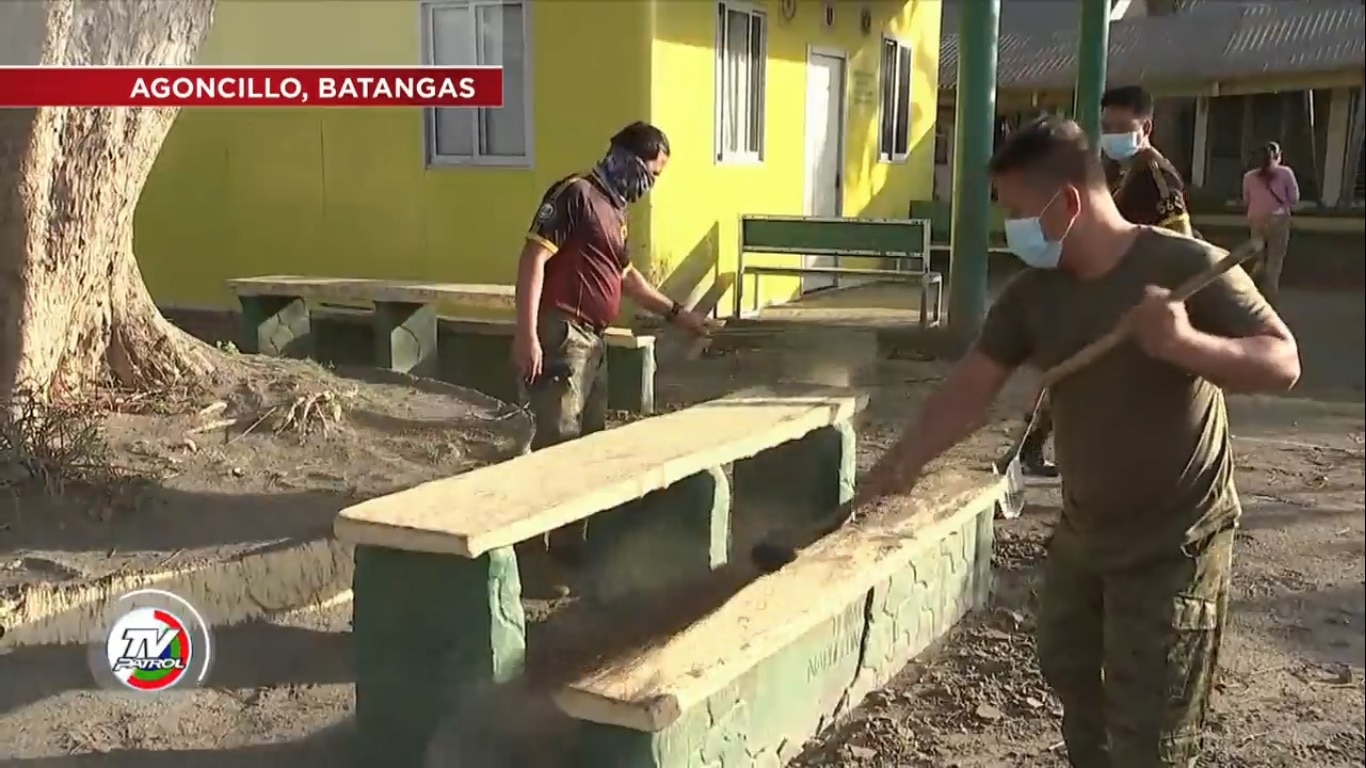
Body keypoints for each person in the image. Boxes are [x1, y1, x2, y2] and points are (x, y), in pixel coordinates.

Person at [860, 116, 1300, 767]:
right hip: (1085, 532)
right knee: (1072, 678)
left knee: (1152, 735)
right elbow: (969, 390)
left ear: (1067, 204)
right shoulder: (1033, 297)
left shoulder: (1186, 264)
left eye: (1018, 212)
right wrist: (899, 465)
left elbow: (1283, 362)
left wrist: (1184, 343)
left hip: (1175, 543)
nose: (1012, 228)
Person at [512, 121, 709, 588]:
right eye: (650, 173)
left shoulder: (615, 212)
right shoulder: (575, 195)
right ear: (627, 158)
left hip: (594, 342)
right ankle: (531, 558)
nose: (650, 184)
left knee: (587, 448)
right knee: (555, 446)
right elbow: (533, 259)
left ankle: (567, 549)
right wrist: (527, 334)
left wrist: (678, 314)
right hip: (563, 334)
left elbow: (626, 278)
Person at [1018, 85, 1197, 476]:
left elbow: (1181, 244)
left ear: (1145, 127)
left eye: (1121, 127)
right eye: (1107, 126)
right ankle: (1031, 445)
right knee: (1070, 367)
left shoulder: (1156, 178)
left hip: (1134, 296)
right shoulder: (1113, 170)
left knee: (1103, 377)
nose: (1112, 135)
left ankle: (1114, 457)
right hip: (1097, 286)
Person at [1242, 141, 1299, 302]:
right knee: (1275, 259)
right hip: (1278, 220)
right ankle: (1270, 295)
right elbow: (1294, 198)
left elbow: (1246, 200)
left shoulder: (1249, 176)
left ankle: (1253, 291)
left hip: (1256, 219)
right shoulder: (1285, 173)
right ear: (1278, 156)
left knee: (1258, 257)